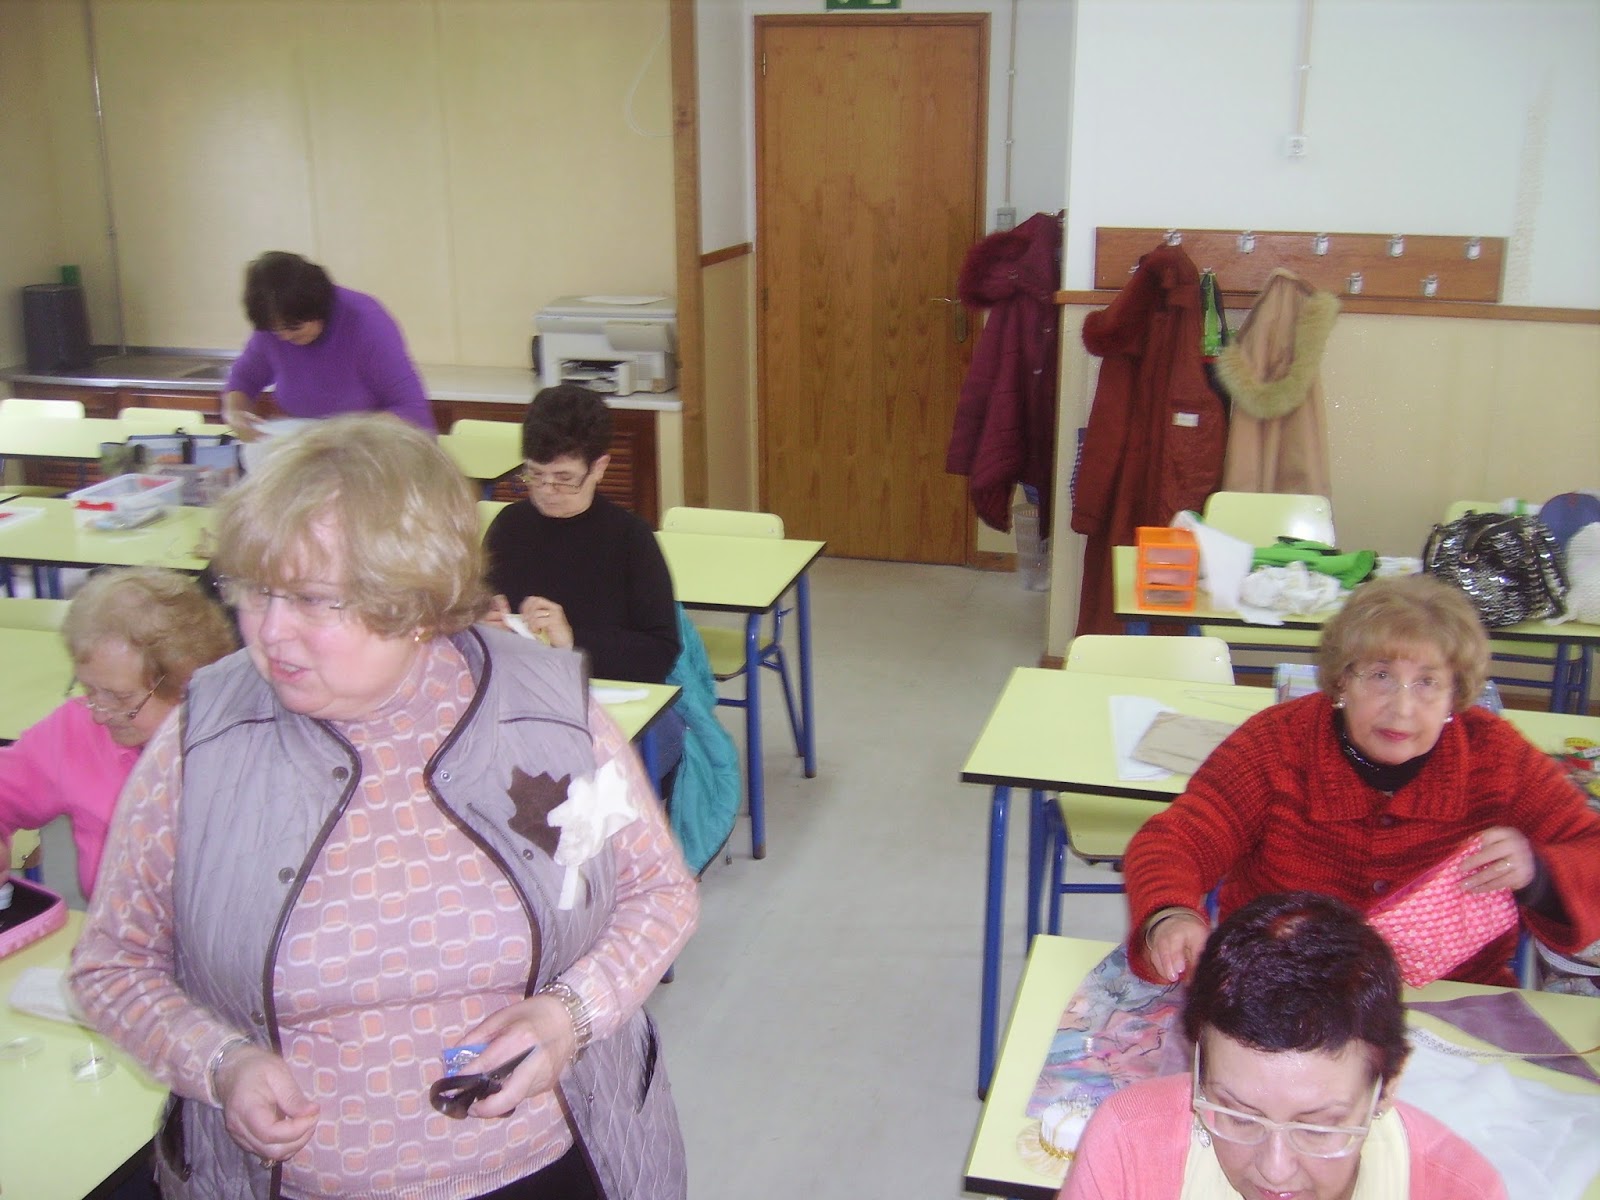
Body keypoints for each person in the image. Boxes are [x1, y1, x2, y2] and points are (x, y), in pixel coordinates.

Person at [71, 414, 698, 1200]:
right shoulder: (205, 741)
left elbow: (657, 893)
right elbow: (113, 965)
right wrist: (219, 1063)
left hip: (550, 1163)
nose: (269, 632)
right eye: (254, 590)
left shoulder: (543, 715)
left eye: (312, 600)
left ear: (416, 603)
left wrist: (570, 1015)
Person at [1127, 572, 1600, 988]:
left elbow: (1590, 848)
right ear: (1341, 682)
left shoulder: (1496, 757)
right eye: (1380, 676)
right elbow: (1178, 840)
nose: (1402, 708)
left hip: (1453, 1005)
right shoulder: (1276, 744)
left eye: (1428, 682)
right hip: (1282, 994)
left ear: (1456, 694)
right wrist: (1171, 914)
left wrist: (1539, 872)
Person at [1062, 891, 1507, 1199]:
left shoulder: (1460, 1190)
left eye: (1317, 1129)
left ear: (1385, 1089)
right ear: (1198, 1070)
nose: (1274, 1171)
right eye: (1238, 1117)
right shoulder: (1129, 1145)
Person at [484, 384, 684, 776]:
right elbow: (477, 624)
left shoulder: (630, 540)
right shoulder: (509, 528)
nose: (547, 491)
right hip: (525, 702)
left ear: (599, 468)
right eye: (535, 475)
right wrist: (483, 625)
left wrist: (573, 640)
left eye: (564, 478)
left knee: (591, 773)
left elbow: (659, 654)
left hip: (614, 702)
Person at [0, 568, 235, 899]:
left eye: (121, 697)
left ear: (187, 684)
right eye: (89, 690)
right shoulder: (75, 731)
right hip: (115, 927)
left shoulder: (239, 746)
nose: (99, 713)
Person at [221, 250, 435, 441]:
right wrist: (235, 412)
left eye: (293, 327)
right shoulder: (274, 324)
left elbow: (413, 413)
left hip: (379, 453)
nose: (284, 336)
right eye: (275, 330)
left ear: (318, 308)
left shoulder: (366, 323)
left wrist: (334, 436)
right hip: (316, 453)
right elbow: (243, 380)